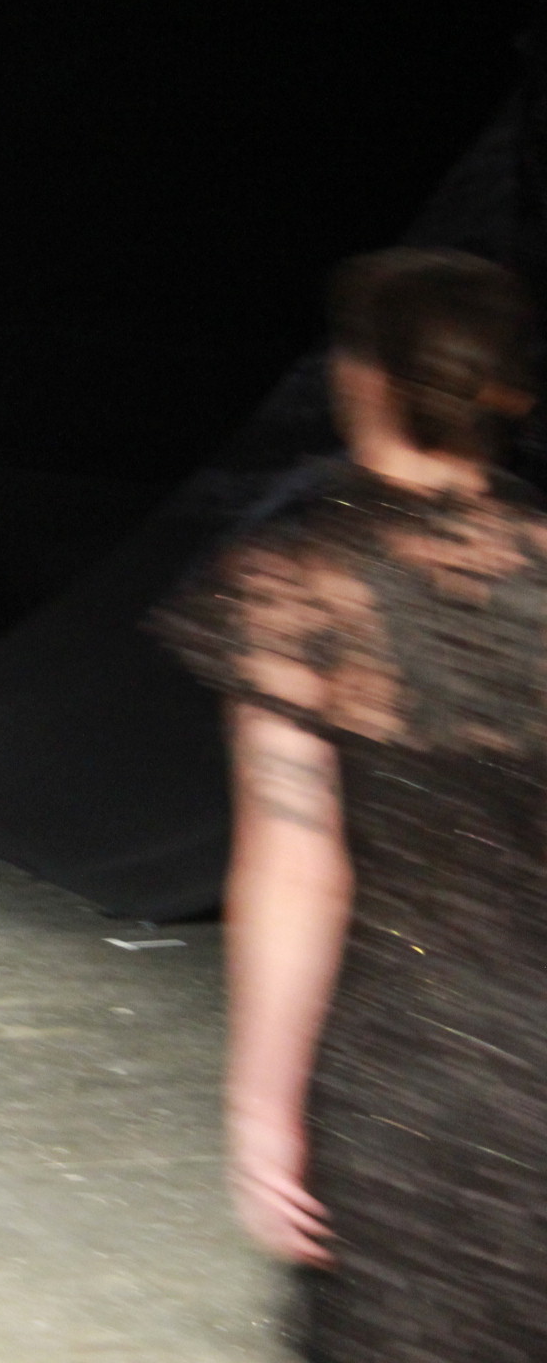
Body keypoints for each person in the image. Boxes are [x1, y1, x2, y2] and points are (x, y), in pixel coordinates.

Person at [154, 248, 547, 1361]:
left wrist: (259, 1107)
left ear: (361, 377)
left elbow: (299, 870)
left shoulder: (300, 582)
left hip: (405, 1069)